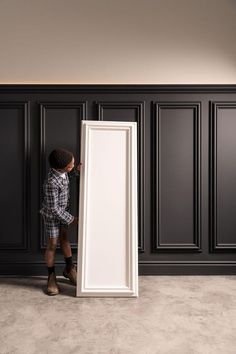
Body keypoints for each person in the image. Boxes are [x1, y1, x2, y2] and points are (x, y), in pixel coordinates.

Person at [39, 148, 81, 296]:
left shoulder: (63, 172)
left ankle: (69, 269)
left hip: (63, 213)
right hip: (52, 216)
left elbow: (70, 173)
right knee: (52, 244)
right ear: (63, 167)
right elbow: (53, 208)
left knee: (65, 239)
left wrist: (77, 171)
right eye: (72, 165)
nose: (73, 165)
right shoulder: (51, 182)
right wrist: (73, 220)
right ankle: (51, 277)